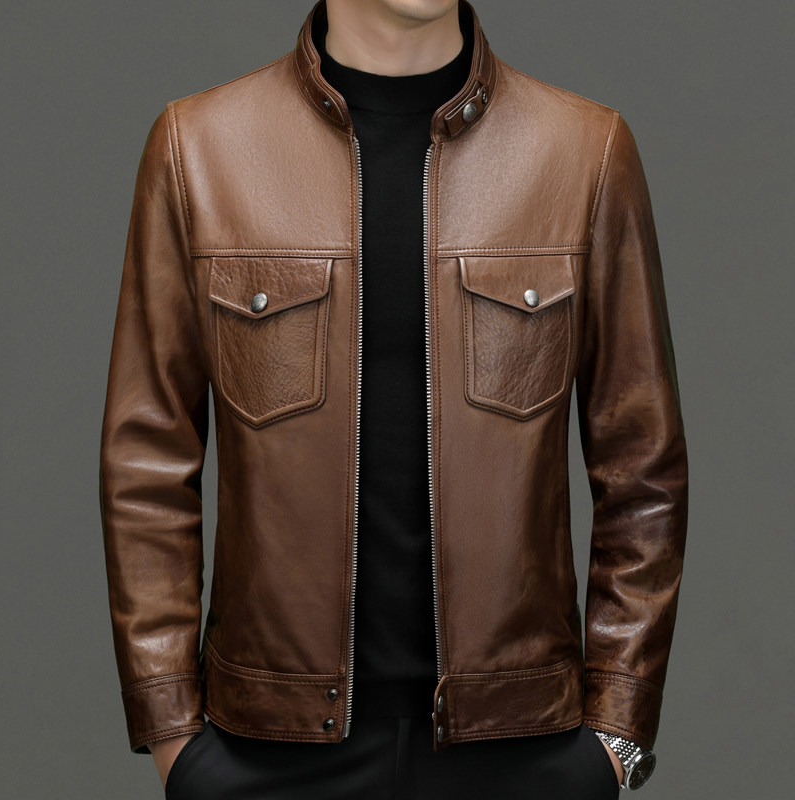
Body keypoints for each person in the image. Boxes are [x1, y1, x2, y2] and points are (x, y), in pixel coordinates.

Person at [98, 0, 688, 797]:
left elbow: (643, 467)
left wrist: (616, 734)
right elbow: (145, 465)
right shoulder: (199, 148)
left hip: (523, 750)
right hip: (265, 754)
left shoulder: (583, 150)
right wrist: (175, 737)